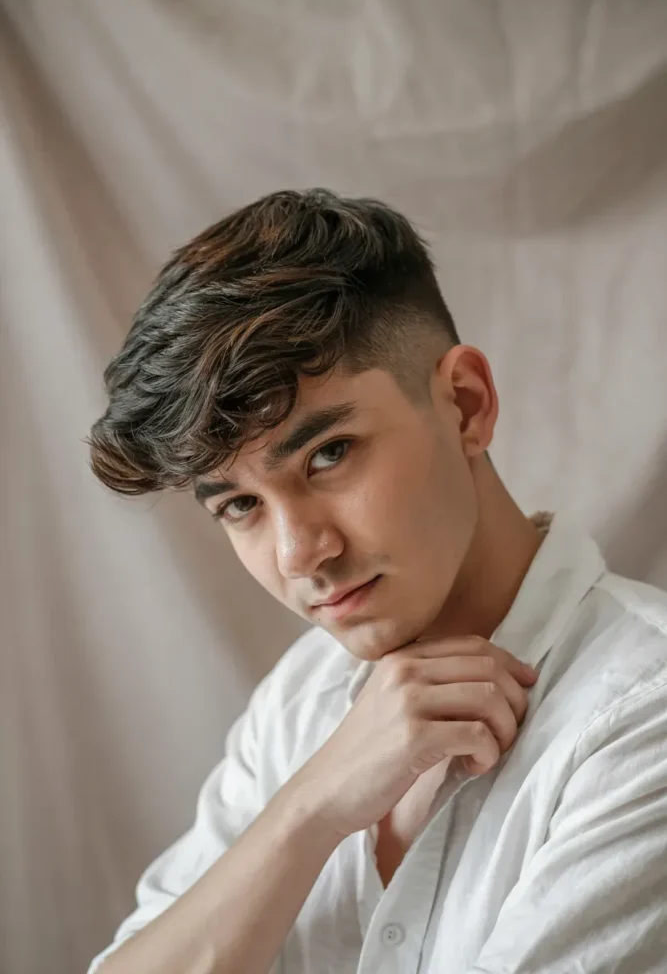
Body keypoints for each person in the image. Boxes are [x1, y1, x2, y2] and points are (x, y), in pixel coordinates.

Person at [86, 189, 667, 974]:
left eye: (327, 454)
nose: (299, 554)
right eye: (239, 505)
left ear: (465, 405)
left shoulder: (643, 710)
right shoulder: (302, 699)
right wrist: (309, 810)